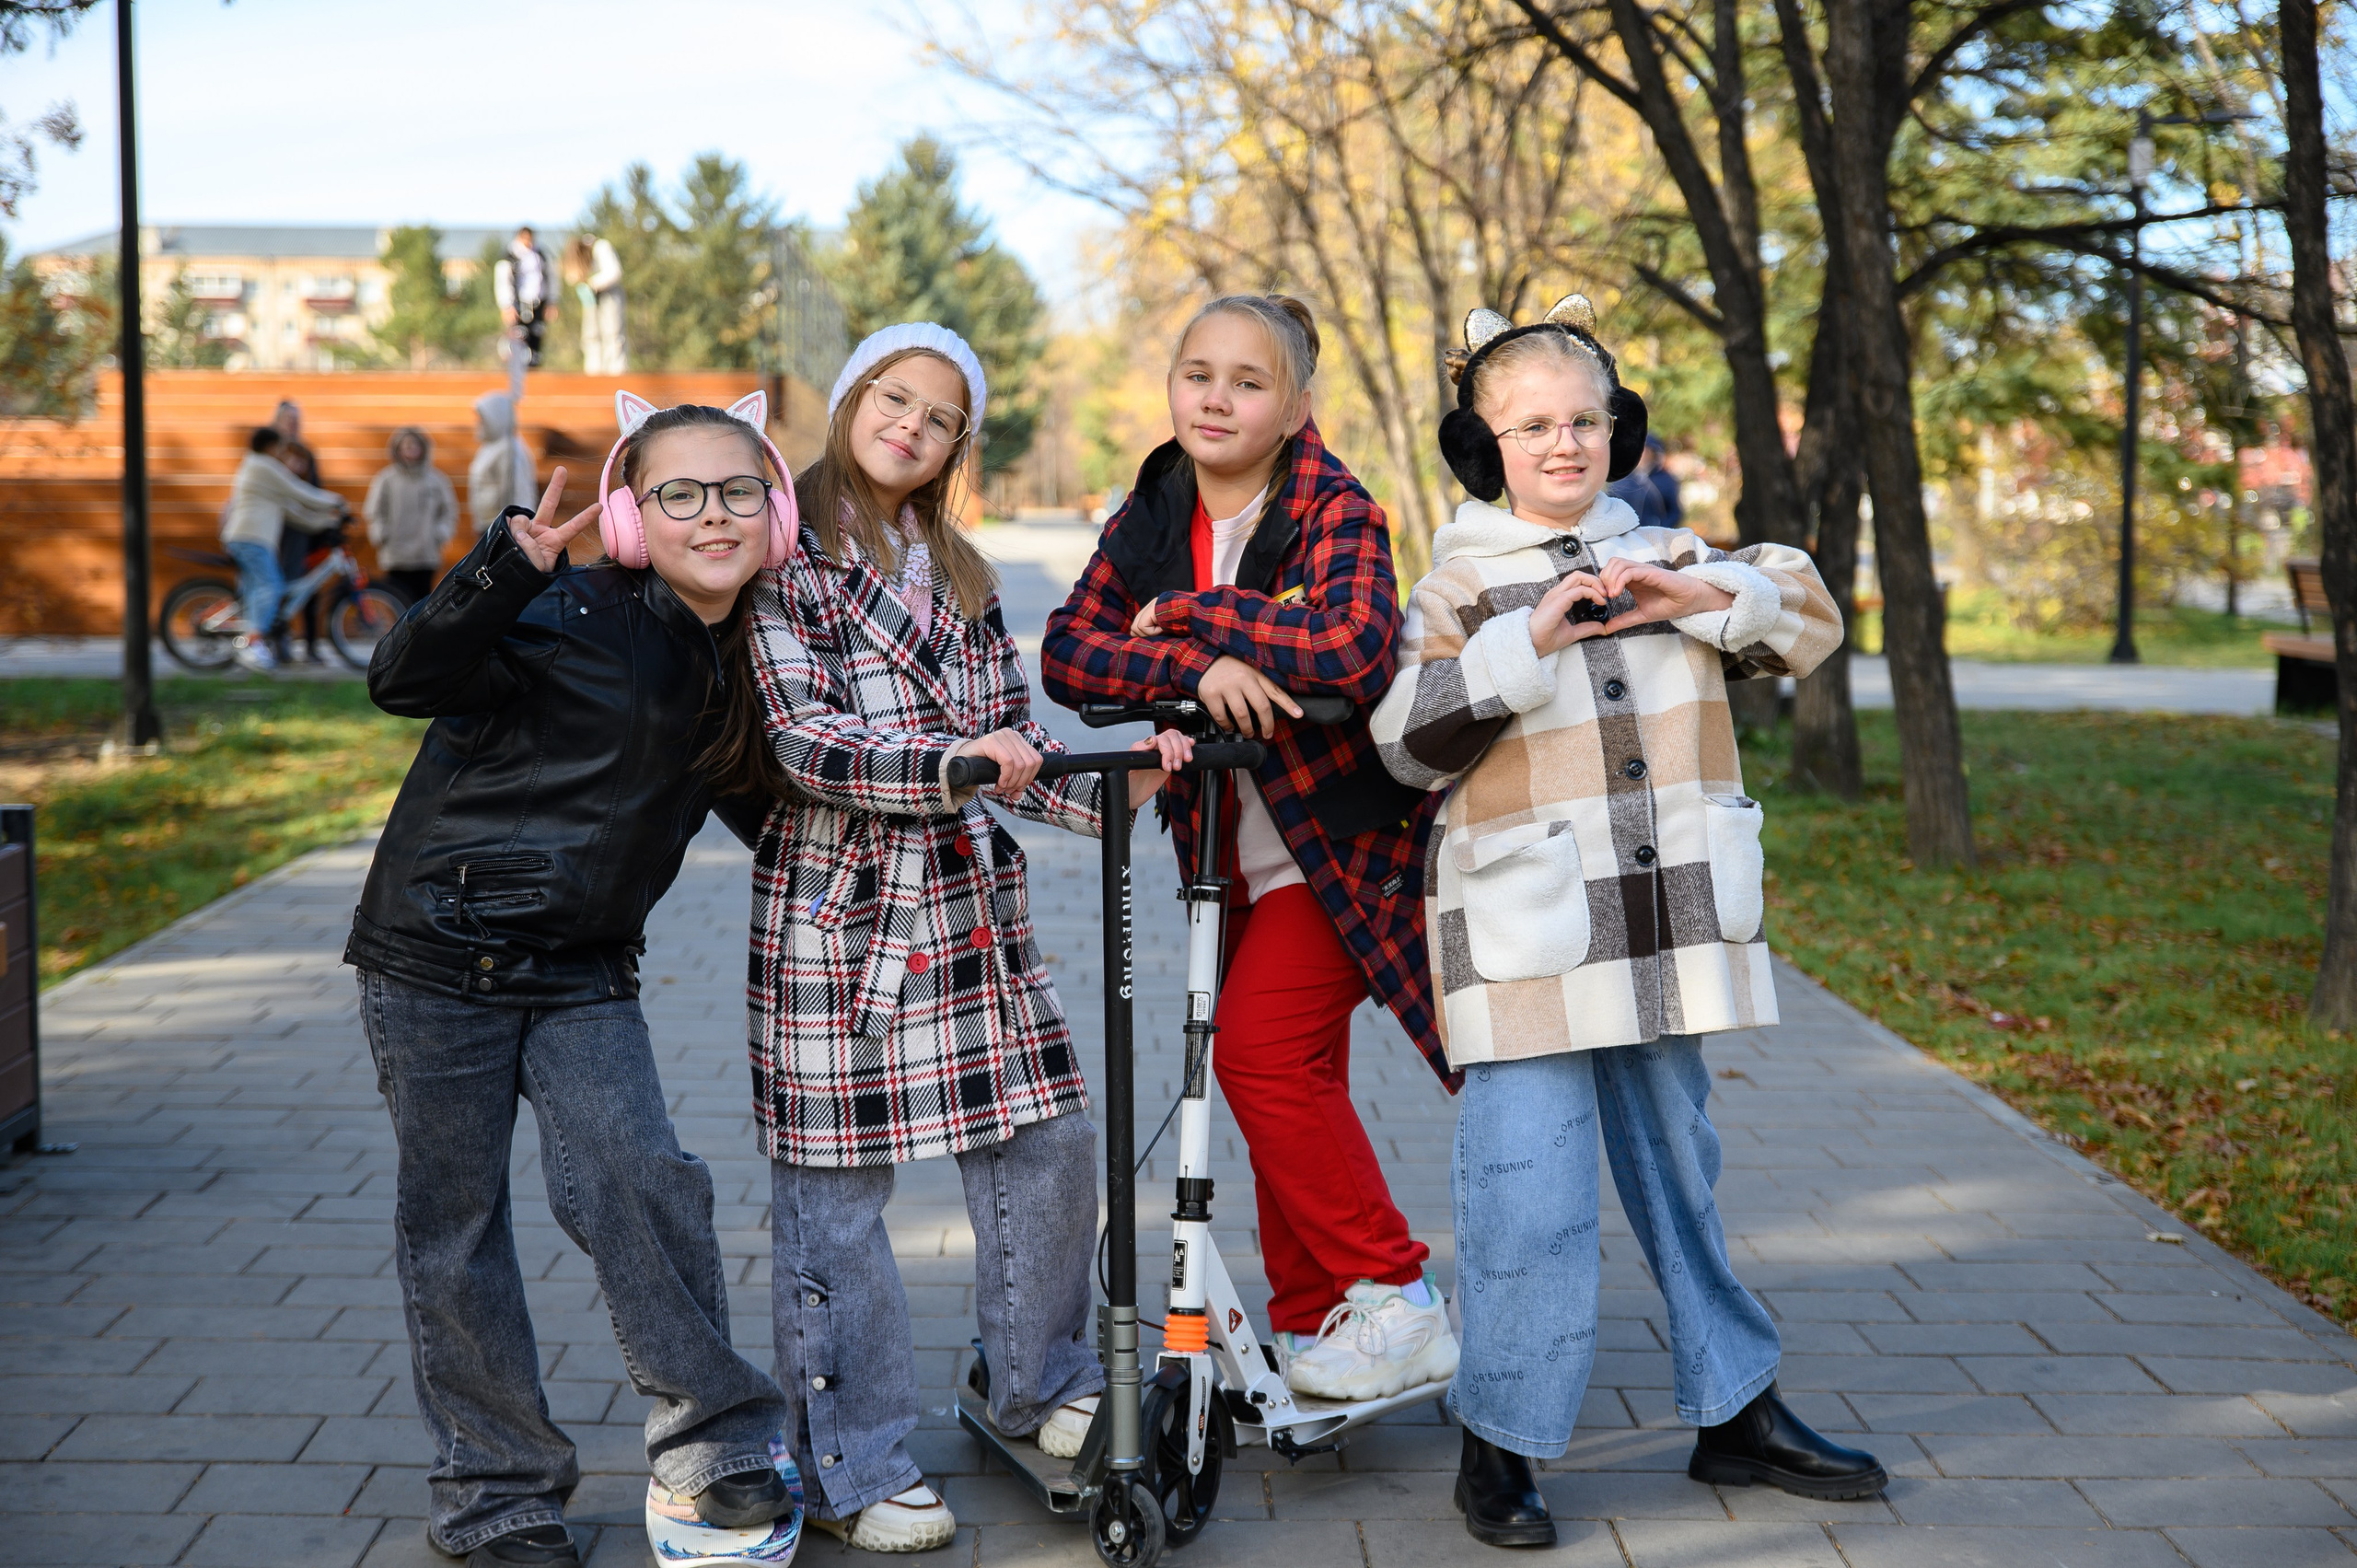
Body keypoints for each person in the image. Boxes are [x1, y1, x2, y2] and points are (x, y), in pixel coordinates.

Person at [1370, 295, 1884, 1550]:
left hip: (1667, 930)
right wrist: (1525, 642)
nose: (1563, 443)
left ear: (1620, 429)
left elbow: (1807, 617)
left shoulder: (1679, 554)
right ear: (1483, 442)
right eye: (1532, 424)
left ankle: (1736, 1405)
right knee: (1524, 1191)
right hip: (1528, 940)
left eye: (1585, 419)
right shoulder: (1457, 585)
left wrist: (1689, 592)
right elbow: (1402, 743)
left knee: (1683, 1173)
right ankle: (1502, 1439)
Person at [734, 323, 1190, 1553]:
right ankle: (850, 1458)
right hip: (841, 921)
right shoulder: (785, 554)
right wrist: (946, 762)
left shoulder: (964, 569)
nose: (914, 426)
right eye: (896, 398)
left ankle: (1034, 1373)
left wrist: (1120, 777)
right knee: (832, 1206)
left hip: (970, 912)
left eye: (942, 416)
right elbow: (799, 742)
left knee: (1051, 1144)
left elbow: (1010, 743)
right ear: (850, 401)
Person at [342, 399, 803, 1568]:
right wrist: (500, 565)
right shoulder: (562, 605)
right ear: (628, 514)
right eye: (678, 493)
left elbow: (788, 815)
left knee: (638, 1177)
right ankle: (496, 1490)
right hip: (436, 954)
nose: (712, 512)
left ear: (776, 511)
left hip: (585, 968)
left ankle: (714, 1441)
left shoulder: (758, 653)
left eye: (737, 490)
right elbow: (402, 674)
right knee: (456, 1225)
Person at [1041, 296, 1457, 1404]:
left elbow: (1350, 647)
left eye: (1249, 381)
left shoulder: (1334, 505)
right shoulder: (1154, 499)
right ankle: (1318, 1321)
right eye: (1196, 372)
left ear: (1296, 407)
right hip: (1224, 856)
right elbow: (1069, 653)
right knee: (1296, 1075)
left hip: (1344, 852)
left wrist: (1186, 617)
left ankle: (1392, 1290)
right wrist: (1188, 678)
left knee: (1261, 1057)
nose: (1216, 397)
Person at [219, 424, 344, 673]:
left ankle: (251, 642)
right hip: (250, 538)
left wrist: (329, 520)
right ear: (269, 446)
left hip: (252, 538)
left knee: (259, 589)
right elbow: (296, 490)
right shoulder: (262, 465)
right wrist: (336, 501)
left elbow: (295, 513)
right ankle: (252, 644)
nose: (281, 452)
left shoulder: (260, 470)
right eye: (279, 447)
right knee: (270, 586)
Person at [364, 425, 457, 604]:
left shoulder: (436, 480)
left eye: (415, 446)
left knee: (422, 602)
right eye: (406, 446)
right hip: (396, 553)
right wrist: (381, 534)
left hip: (425, 553)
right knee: (397, 601)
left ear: (423, 449)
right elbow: (374, 511)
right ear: (397, 449)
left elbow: (448, 511)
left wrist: (440, 533)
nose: (411, 451)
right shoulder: (386, 480)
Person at [273, 401, 330, 663]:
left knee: (310, 588)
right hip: (277, 533)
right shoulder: (270, 455)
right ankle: (278, 644)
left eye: (296, 419)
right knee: (280, 589)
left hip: (306, 532)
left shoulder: (306, 453)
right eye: (288, 419)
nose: (292, 424)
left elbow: (313, 491)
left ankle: (311, 644)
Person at [468, 390, 539, 537]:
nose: (479, 424)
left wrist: (518, 526)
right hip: (488, 523)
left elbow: (519, 491)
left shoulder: (509, 450)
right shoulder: (489, 447)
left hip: (503, 526)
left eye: (483, 419)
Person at [564, 233, 627, 375]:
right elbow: (572, 275)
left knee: (613, 333)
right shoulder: (581, 255)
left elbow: (615, 272)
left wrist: (593, 283)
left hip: (609, 294)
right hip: (591, 296)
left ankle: (616, 371)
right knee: (591, 334)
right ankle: (594, 372)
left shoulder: (602, 247)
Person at [493, 226, 554, 368]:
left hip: (538, 305)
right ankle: (517, 374)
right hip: (518, 306)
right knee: (518, 340)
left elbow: (551, 278)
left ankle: (534, 374)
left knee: (536, 342)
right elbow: (503, 282)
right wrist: (506, 306)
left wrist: (552, 301)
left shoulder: (541, 255)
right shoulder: (509, 257)